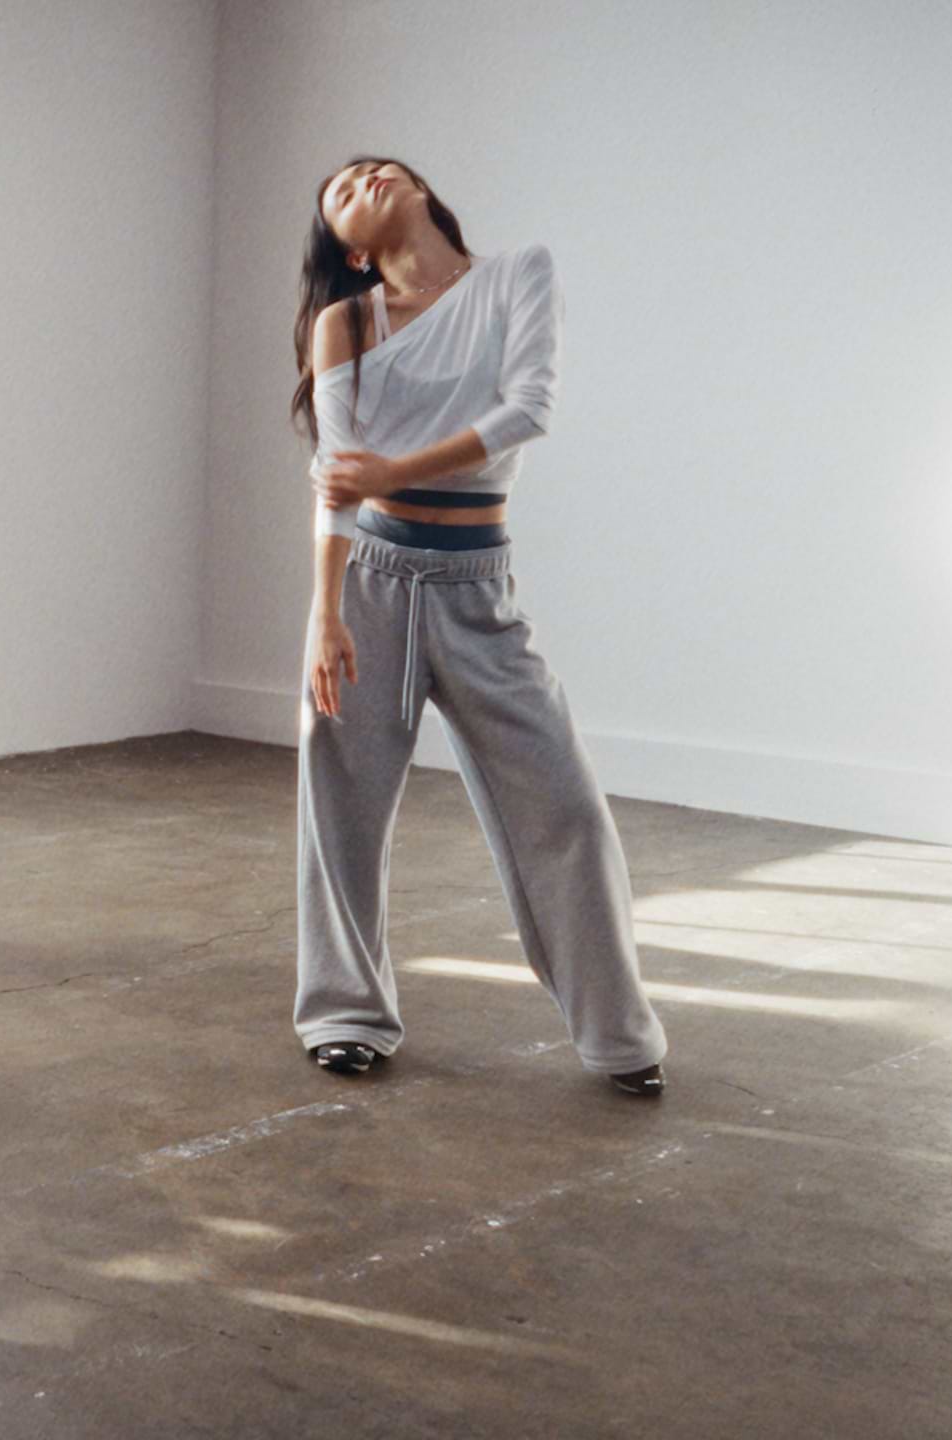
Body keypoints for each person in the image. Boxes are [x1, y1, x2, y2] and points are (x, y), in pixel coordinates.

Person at [289, 156, 669, 1097]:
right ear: (347, 245)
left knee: (565, 807)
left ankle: (619, 1035)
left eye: (378, 166)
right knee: (342, 808)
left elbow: (528, 409)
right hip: (371, 585)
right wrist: (323, 615)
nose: (365, 175)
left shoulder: (515, 276)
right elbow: (337, 478)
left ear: (421, 189)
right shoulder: (345, 323)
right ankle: (346, 1015)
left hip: (476, 588)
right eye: (341, 188)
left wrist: (390, 470)